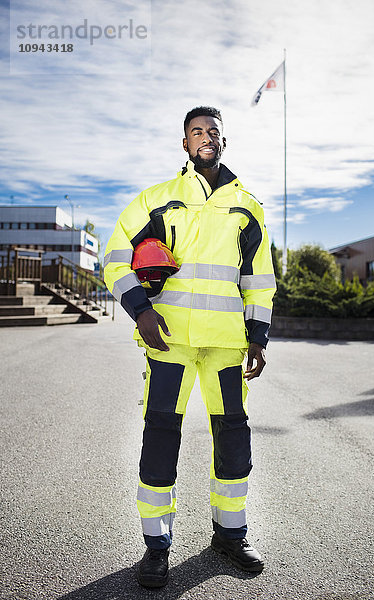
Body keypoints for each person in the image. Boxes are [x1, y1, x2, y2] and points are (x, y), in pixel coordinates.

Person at [104, 106, 276, 588]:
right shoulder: (156, 201)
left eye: (213, 131)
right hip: (170, 342)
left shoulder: (247, 206)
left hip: (225, 346)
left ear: (224, 141)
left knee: (233, 439)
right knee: (161, 437)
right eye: (196, 131)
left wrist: (258, 336)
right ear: (184, 143)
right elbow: (115, 259)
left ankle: (231, 533)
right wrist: (140, 308)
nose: (205, 137)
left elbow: (259, 280)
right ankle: (157, 547)